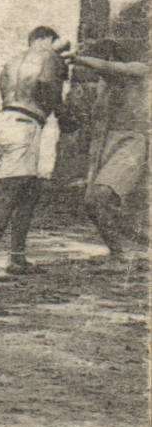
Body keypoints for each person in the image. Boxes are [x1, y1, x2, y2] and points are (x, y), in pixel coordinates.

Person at [0, 26, 71, 279]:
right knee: (8, 194)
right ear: (47, 39)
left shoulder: (13, 61)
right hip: (26, 126)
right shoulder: (51, 58)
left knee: (29, 191)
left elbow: (5, 92)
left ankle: (17, 257)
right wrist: (65, 117)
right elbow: (51, 90)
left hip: (4, 121)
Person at [72, 39, 148, 266]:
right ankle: (121, 252)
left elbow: (113, 68)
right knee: (93, 204)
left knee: (100, 199)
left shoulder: (138, 70)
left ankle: (120, 255)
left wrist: (78, 58)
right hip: (107, 144)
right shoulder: (105, 86)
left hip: (132, 141)